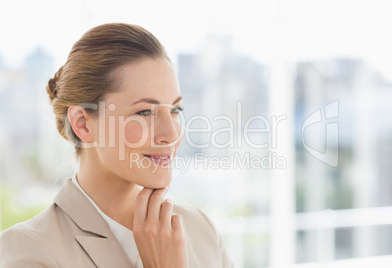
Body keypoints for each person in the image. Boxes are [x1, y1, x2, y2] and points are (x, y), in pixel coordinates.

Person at [0, 23, 234, 268]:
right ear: (83, 124)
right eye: (144, 112)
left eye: (175, 109)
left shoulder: (200, 230)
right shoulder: (27, 250)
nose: (171, 133)